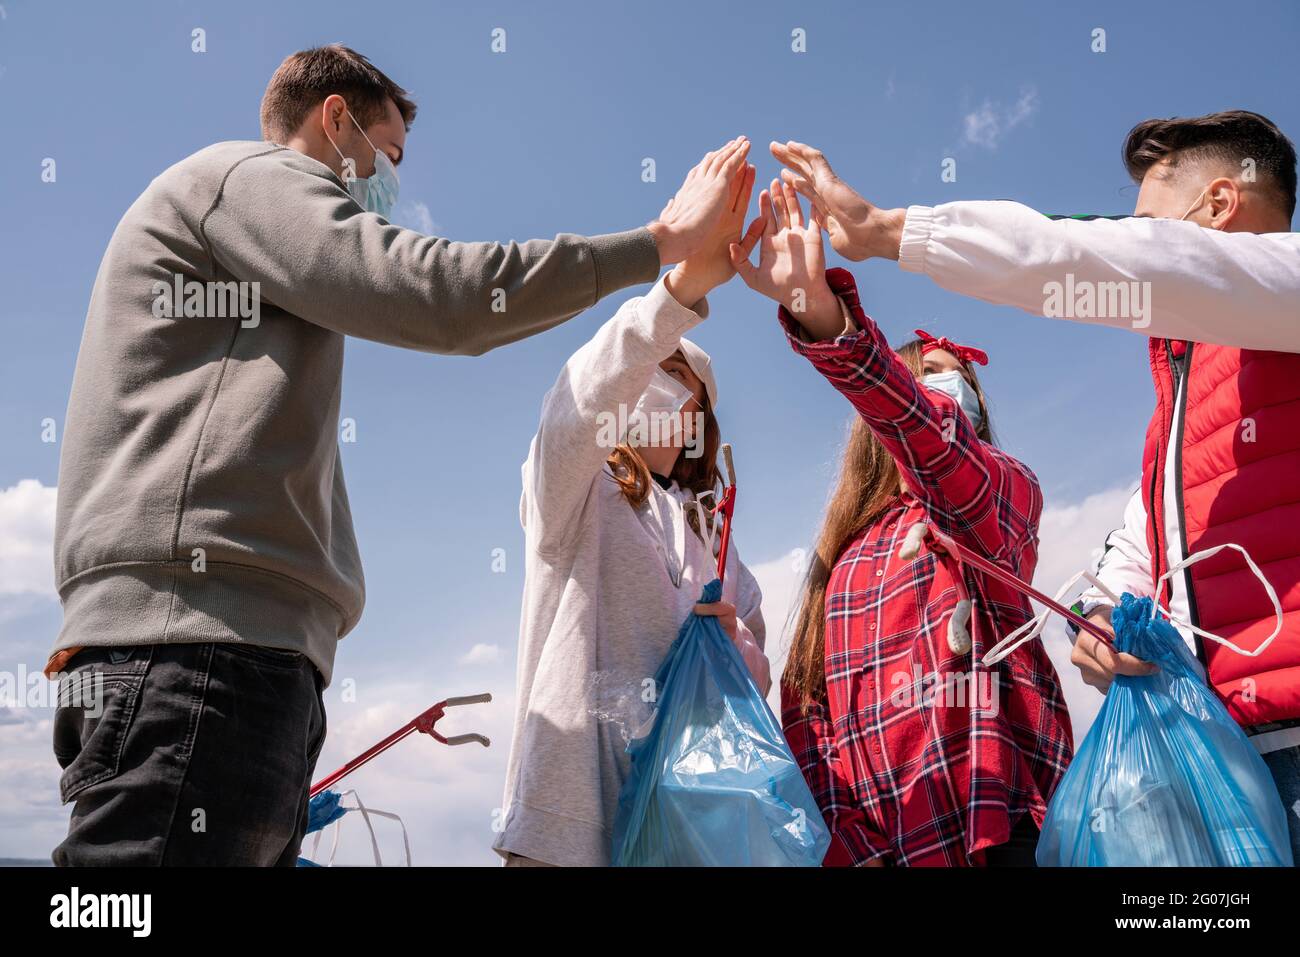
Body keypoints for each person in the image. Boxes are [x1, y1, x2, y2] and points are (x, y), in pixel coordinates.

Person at [47, 42, 752, 866]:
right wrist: (659, 244)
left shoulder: (257, 282)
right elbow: (449, 299)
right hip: (194, 649)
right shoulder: (246, 181)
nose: (391, 185)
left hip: (232, 655)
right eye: (388, 157)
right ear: (335, 118)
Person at [766, 111, 1300, 858]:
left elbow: (1088, 261)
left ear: (1218, 204)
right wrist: (1096, 620)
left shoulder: (1291, 286)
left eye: (1144, 226)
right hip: (1223, 751)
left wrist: (893, 234)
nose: (1130, 241)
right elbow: (1131, 554)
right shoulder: (1172, 421)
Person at [731, 181, 1071, 865]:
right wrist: (854, 843)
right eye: (933, 379)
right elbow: (808, 716)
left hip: (1000, 832)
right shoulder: (842, 555)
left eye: (961, 387)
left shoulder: (998, 498)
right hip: (883, 851)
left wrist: (826, 319)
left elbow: (932, 440)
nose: (952, 398)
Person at [495, 159, 769, 867]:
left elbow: (755, 682)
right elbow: (584, 397)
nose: (656, 381)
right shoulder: (573, 488)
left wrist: (737, 642)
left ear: (699, 419)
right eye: (650, 363)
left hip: (681, 831)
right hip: (569, 827)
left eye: (679, 375)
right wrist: (676, 291)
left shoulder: (717, 539)